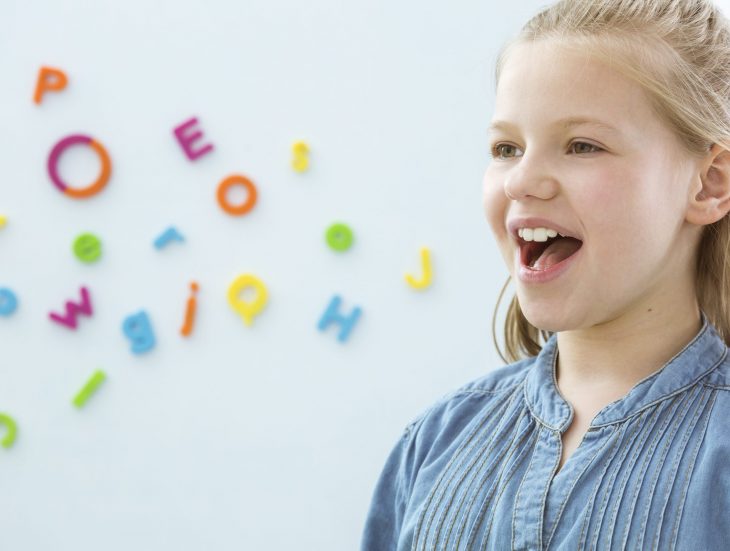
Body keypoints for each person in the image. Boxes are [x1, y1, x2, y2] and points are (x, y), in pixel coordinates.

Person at [359, 0, 730, 549]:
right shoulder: (435, 442)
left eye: (583, 145)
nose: (520, 181)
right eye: (506, 148)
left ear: (708, 185)